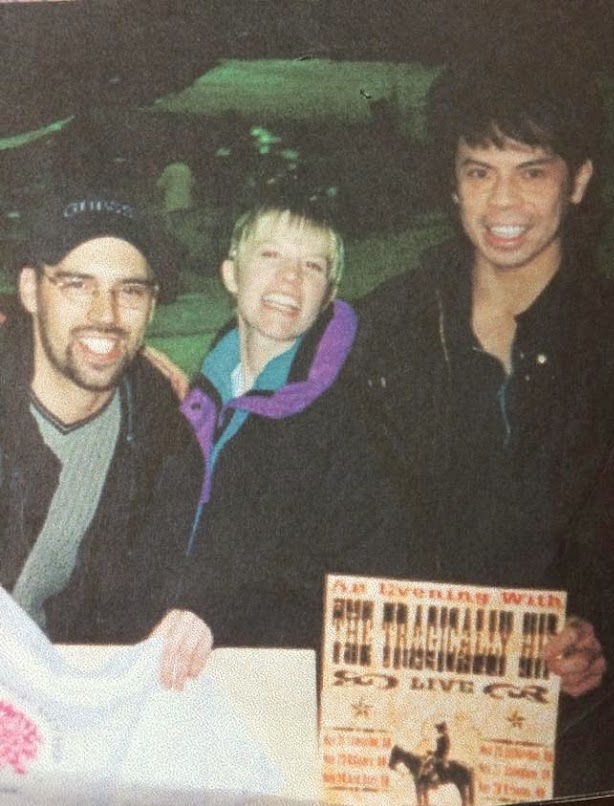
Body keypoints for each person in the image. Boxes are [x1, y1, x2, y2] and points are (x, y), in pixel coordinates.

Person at [348, 57, 614, 793]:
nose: (503, 201)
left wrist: (603, 632)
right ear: (452, 182)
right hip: (401, 698)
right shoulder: (387, 325)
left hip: (573, 731)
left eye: (532, 172)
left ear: (578, 181)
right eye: (479, 171)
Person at [128, 188, 408, 649]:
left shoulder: (352, 425)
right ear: (231, 274)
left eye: (312, 266)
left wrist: (220, 615)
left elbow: (358, 590)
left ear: (327, 296)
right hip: (166, 660)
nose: (290, 278)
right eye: (271, 255)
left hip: (266, 669)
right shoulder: (196, 402)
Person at [0, 189, 209, 689]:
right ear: (30, 291)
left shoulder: (162, 437)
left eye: (130, 291)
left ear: (151, 307)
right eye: (78, 285)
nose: (107, 313)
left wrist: (203, 607)